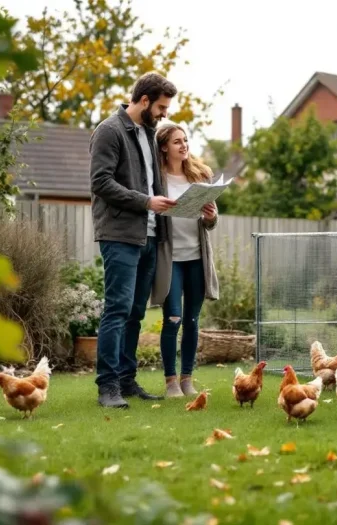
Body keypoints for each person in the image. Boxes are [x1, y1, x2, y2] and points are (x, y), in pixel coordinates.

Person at [89, 72, 178, 408]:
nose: (164, 114)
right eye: (161, 107)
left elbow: (154, 182)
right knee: (117, 309)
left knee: (135, 313)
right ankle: (107, 386)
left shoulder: (148, 132)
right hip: (120, 235)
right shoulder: (109, 131)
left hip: (150, 236)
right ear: (143, 101)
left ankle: (126, 381)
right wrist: (145, 202)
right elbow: (100, 182)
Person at [150, 122, 219, 398]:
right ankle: (170, 383)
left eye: (186, 140)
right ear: (164, 147)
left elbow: (211, 222)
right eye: (177, 141)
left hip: (196, 258)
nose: (184, 145)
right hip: (171, 260)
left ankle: (187, 379)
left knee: (191, 320)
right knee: (173, 319)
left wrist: (211, 217)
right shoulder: (157, 179)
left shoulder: (200, 176)